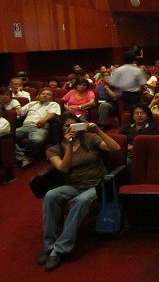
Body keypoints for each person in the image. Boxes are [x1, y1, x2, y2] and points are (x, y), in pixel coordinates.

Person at [38, 113, 120, 272]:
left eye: (73, 125)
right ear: (59, 129)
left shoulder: (89, 139)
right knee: (50, 196)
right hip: (73, 184)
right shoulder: (53, 149)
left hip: (96, 184)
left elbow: (115, 148)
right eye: (66, 126)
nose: (71, 129)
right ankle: (49, 245)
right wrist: (69, 145)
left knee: (81, 200)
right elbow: (64, 168)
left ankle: (60, 248)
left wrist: (98, 131)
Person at [15, 89, 61, 168]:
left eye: (48, 94)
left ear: (52, 97)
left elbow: (53, 114)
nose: (45, 95)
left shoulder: (53, 104)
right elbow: (20, 112)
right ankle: (23, 157)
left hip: (40, 127)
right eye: (43, 94)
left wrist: (45, 119)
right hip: (25, 127)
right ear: (38, 96)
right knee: (6, 137)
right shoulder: (31, 103)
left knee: (37, 140)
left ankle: (23, 156)